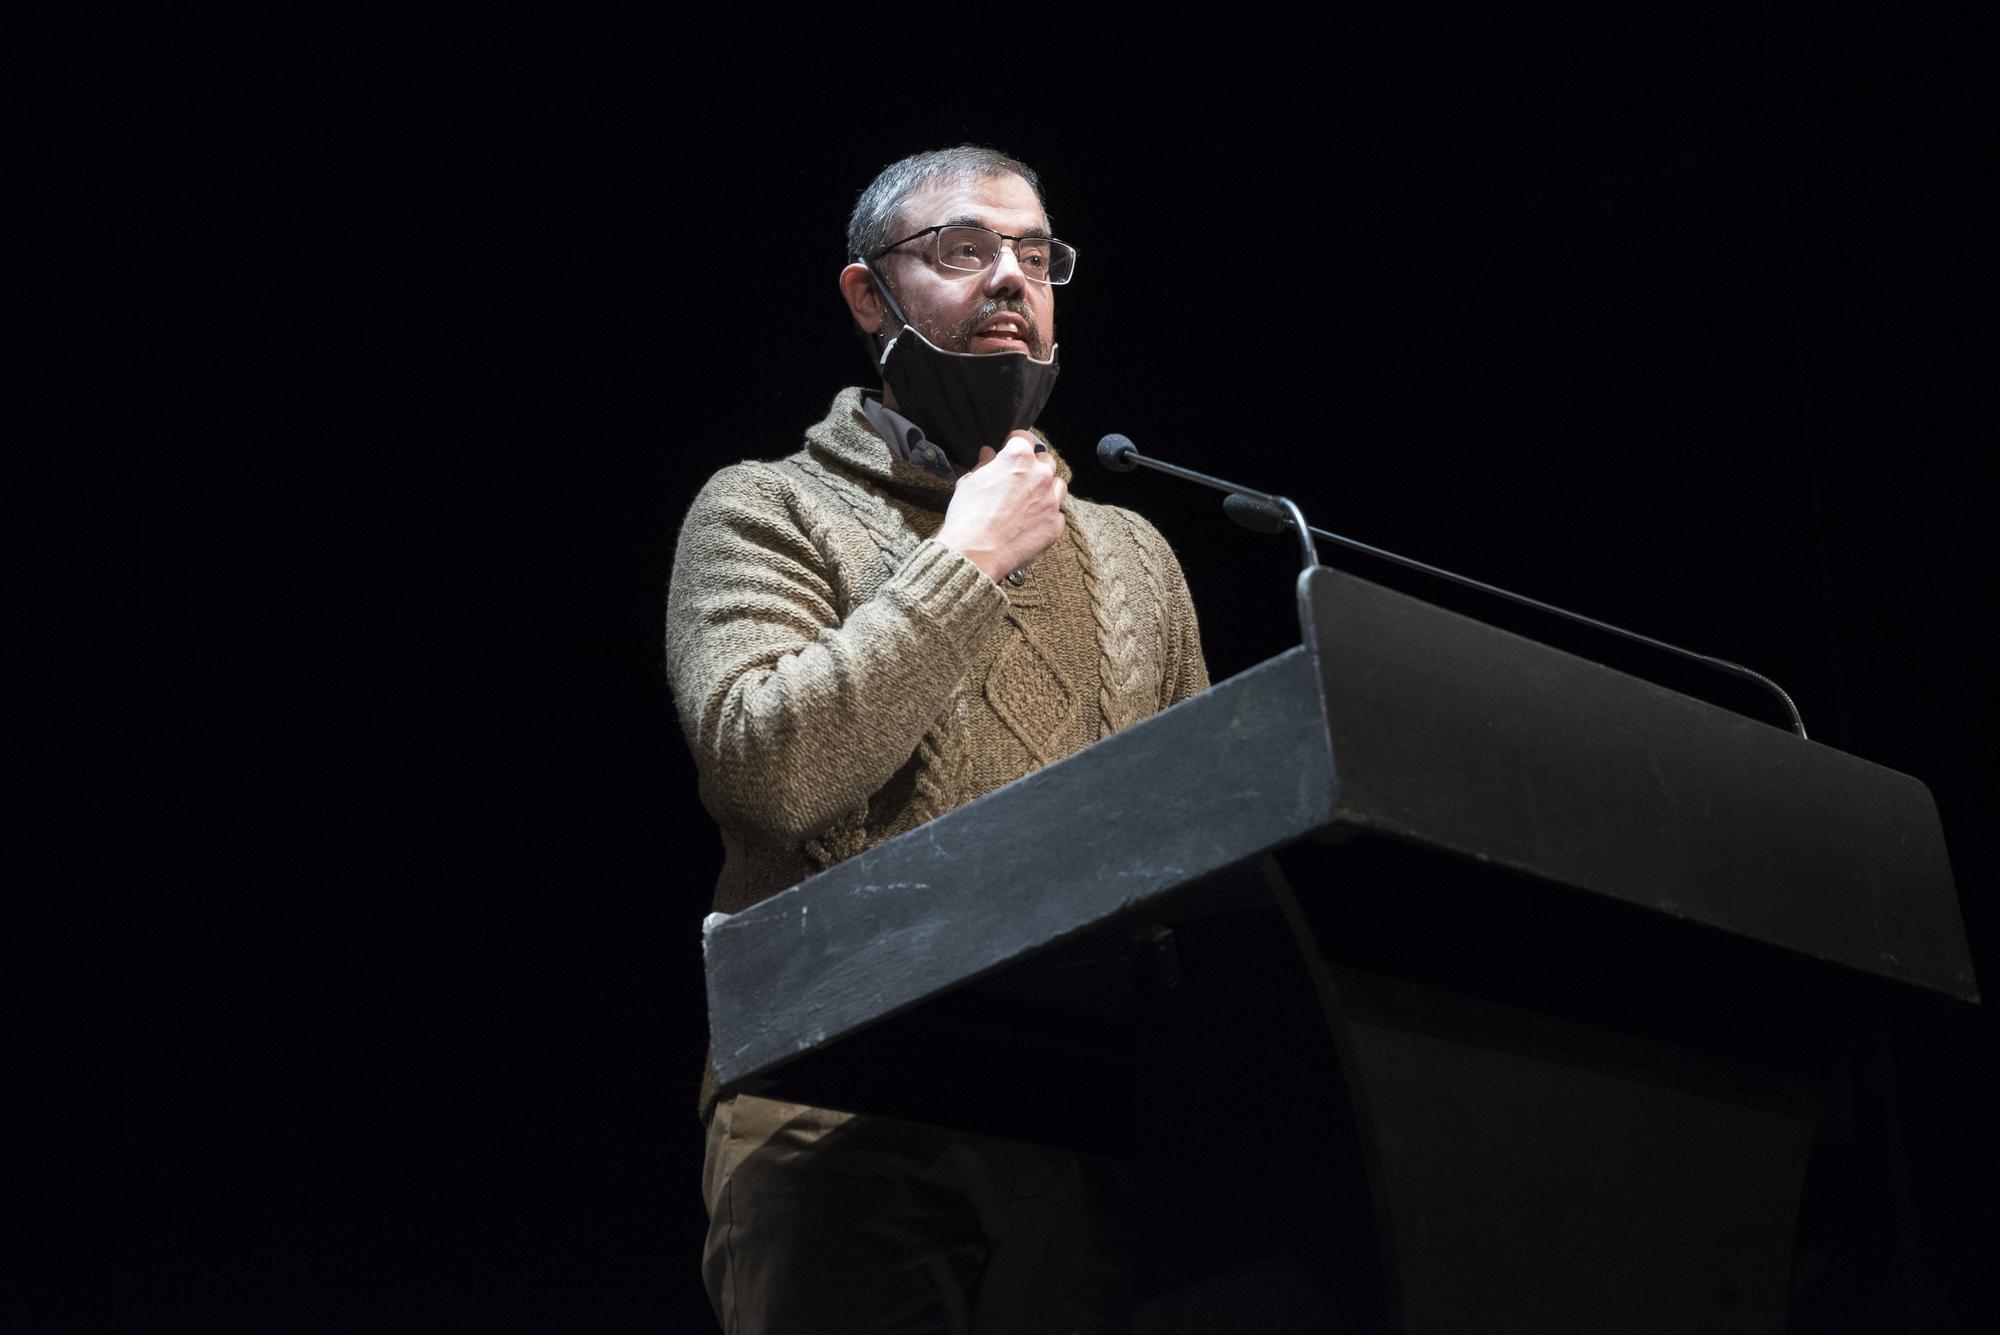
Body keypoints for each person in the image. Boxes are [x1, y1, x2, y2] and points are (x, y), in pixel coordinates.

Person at [665, 145, 1209, 1334]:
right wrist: (964, 562)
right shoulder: (763, 506)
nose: (1009, 279)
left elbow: (1192, 842)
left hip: (1082, 1119)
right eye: (962, 251)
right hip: (835, 1095)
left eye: (1034, 255)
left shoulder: (1132, 555)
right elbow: (767, 771)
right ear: (870, 296)